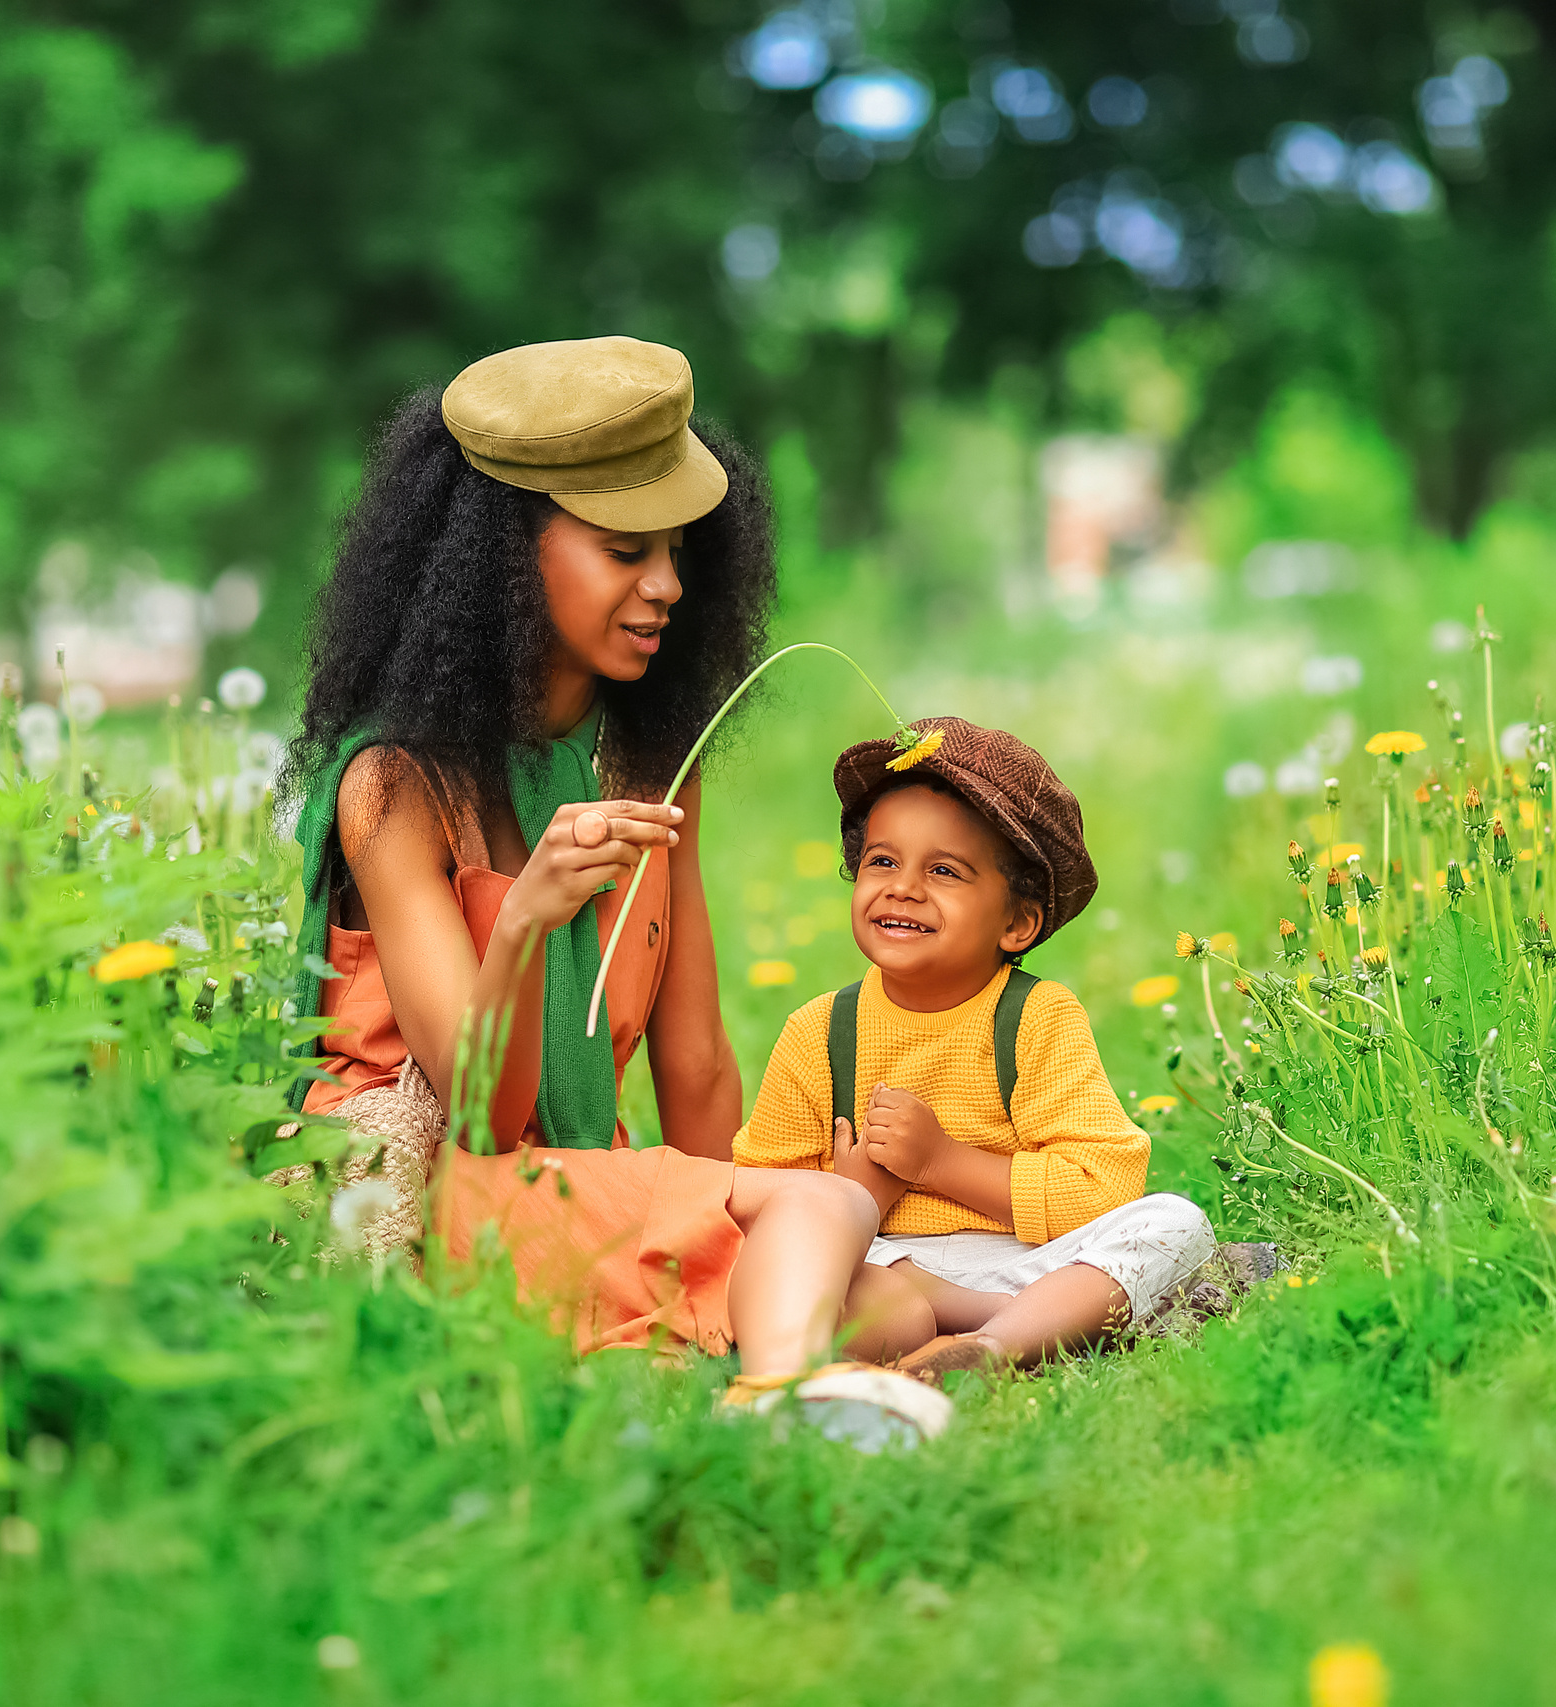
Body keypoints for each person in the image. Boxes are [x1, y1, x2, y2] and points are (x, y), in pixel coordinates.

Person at [280, 335, 944, 1442]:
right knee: (827, 1209)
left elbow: (697, 1061)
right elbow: (482, 1115)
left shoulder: (644, 763)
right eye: (626, 551)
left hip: (584, 1181)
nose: (668, 586)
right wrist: (527, 916)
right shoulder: (391, 785)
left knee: (880, 1298)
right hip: (443, 1195)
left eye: (678, 551)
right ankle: (771, 1405)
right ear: (502, 561)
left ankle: (674, 1364)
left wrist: (728, 1214)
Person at [735, 717, 1217, 1382]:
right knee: (812, 1281)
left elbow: (1102, 1186)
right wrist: (848, 1199)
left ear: (1016, 922)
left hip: (1022, 1261)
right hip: (886, 1268)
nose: (902, 887)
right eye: (882, 861)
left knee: (1173, 1224)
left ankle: (983, 1347)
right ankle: (1016, 1323)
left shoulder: (1036, 1018)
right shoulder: (819, 1031)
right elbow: (756, 1203)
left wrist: (941, 1162)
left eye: (943, 870)